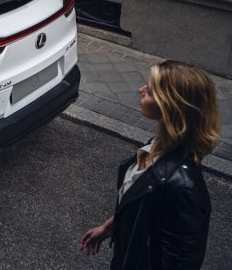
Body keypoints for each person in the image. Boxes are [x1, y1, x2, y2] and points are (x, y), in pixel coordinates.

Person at [79, 60, 221, 269]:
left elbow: (182, 263)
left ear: (171, 106)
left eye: (151, 91)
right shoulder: (157, 146)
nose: (141, 90)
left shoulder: (184, 187)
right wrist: (109, 227)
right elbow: (142, 205)